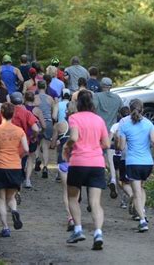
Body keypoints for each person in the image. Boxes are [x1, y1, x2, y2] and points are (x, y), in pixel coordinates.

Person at [64, 90, 110, 250]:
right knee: (95, 202)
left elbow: (74, 138)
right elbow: (107, 144)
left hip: (78, 162)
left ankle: (77, 229)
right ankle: (98, 233)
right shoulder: (99, 120)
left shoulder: (74, 118)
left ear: (78, 104)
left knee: (72, 197)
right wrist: (95, 146)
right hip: (97, 163)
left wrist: (66, 146)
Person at [119, 99, 154, 233]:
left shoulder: (125, 125)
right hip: (147, 163)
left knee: (136, 192)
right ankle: (142, 211)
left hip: (133, 162)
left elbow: (121, 146)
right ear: (142, 109)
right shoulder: (149, 124)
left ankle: (142, 220)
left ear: (130, 109)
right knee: (141, 188)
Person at [0, 102, 29, 237]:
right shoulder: (19, 131)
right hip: (15, 166)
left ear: (1, 114)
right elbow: (27, 150)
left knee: (0, 198)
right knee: (11, 196)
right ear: (13, 114)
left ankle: (5, 228)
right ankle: (14, 210)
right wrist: (18, 155)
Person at [93, 77, 123, 196]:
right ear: (111, 86)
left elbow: (93, 109)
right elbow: (122, 111)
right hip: (113, 131)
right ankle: (113, 179)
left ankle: (102, 178)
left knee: (100, 154)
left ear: (101, 85)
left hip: (99, 130)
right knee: (110, 155)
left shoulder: (97, 96)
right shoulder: (117, 98)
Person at [51, 100, 77, 232]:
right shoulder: (80, 126)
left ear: (66, 111)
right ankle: (76, 216)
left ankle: (70, 217)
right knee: (76, 191)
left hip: (63, 160)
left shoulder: (60, 125)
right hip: (77, 161)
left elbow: (52, 143)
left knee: (66, 191)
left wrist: (56, 143)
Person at [109, 106, 132, 209]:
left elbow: (109, 141)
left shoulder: (115, 126)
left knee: (121, 179)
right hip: (131, 155)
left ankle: (124, 198)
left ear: (120, 115)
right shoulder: (132, 124)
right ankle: (127, 198)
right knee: (130, 180)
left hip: (118, 154)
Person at [22, 92, 45, 188]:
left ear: (25, 99)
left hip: (22, 136)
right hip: (33, 136)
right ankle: (27, 180)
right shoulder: (37, 110)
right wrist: (40, 132)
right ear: (33, 100)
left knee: (21, 156)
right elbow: (44, 125)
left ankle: (20, 175)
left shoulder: (22, 109)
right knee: (31, 157)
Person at [35, 81, 55, 179]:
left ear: (37, 87)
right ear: (46, 86)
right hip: (48, 122)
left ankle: (37, 158)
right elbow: (53, 112)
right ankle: (46, 166)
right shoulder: (50, 99)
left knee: (37, 144)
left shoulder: (35, 98)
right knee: (45, 146)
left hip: (37, 122)